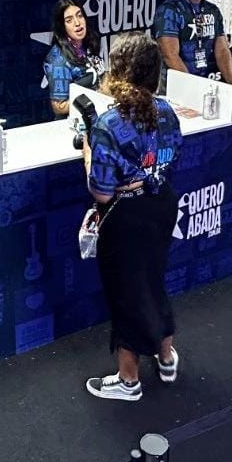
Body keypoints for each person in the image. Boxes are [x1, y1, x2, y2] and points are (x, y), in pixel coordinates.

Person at [81, 33, 183, 403]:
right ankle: (166, 359)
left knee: (127, 294)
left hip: (127, 216)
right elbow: (173, 155)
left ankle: (128, 381)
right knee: (153, 282)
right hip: (161, 205)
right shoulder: (167, 111)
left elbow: (101, 191)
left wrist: (88, 151)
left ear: (119, 71)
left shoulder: (108, 125)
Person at [44, 0, 105, 116]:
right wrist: (95, 98)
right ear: (62, 27)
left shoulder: (90, 42)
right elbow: (59, 107)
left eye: (80, 16)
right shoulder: (58, 60)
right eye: (69, 20)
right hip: (75, 123)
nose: (77, 23)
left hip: (98, 116)